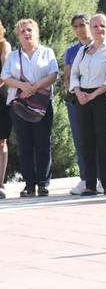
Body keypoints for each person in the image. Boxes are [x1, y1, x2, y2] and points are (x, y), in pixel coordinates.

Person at [1, 19, 58, 197]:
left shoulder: (47, 52)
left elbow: (54, 74)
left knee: (43, 144)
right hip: (19, 106)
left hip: (42, 105)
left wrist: (34, 87)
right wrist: (22, 86)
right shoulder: (13, 56)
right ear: (18, 36)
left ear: (36, 32)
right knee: (25, 145)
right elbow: (5, 76)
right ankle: (29, 185)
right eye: (22, 31)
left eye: (29, 30)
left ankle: (43, 184)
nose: (26, 33)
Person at [70, 14, 106, 196]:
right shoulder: (83, 50)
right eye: (95, 26)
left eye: (102, 26)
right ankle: (90, 184)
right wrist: (78, 92)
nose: (99, 29)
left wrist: (93, 95)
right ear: (90, 29)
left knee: (105, 141)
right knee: (86, 141)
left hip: (102, 97)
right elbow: (74, 74)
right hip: (82, 97)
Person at [63, 14, 97, 195]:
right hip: (77, 101)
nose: (79, 29)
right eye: (75, 26)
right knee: (81, 140)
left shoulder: (100, 46)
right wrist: (76, 94)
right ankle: (86, 178)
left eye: (82, 25)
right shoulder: (71, 51)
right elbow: (67, 77)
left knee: (100, 139)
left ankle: (102, 178)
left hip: (97, 98)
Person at [0, 20, 11, 199]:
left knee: (1, 141)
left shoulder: (4, 46)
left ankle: (0, 184)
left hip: (0, 97)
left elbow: (6, 73)